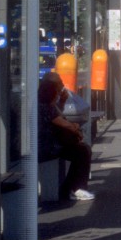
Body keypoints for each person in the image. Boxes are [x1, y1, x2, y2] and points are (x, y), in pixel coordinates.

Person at [37, 72, 94, 201]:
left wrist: (61, 101)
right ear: (52, 88)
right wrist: (75, 128)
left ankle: (70, 187)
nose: (61, 87)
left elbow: (58, 116)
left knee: (80, 150)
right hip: (47, 147)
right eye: (59, 84)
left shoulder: (43, 103)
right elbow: (63, 123)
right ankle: (75, 188)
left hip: (45, 145)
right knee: (82, 151)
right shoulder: (45, 107)